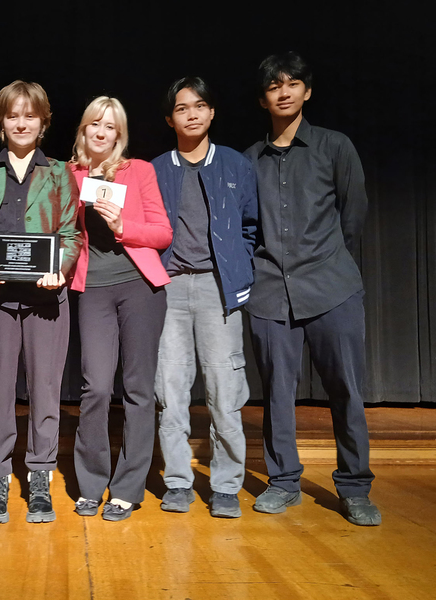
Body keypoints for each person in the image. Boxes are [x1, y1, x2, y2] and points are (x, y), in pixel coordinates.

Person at [244, 52, 381, 526]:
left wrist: (327, 261)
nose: (283, 91)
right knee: (277, 393)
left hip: (330, 287)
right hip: (268, 292)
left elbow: (353, 213)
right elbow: (245, 227)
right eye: (273, 85)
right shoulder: (249, 161)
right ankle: (283, 483)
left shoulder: (334, 146)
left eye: (292, 82)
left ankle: (355, 486)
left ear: (306, 91)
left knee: (345, 389)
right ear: (263, 99)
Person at [0, 80, 81, 524]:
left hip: (46, 299)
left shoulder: (60, 173)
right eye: (13, 115)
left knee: (46, 390)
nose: (21, 122)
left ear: (43, 122)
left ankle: (40, 478)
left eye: (30, 115)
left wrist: (60, 270)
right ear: (1, 121)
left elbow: (70, 235)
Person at [152, 77, 258, 519]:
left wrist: (238, 267)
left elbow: (251, 226)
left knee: (224, 390)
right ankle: (177, 481)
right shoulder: (155, 169)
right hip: (171, 289)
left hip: (219, 289)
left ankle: (227, 486)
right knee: (170, 391)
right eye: (182, 108)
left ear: (212, 112)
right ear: (169, 118)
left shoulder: (235, 165)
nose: (191, 114)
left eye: (199, 106)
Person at [70, 97, 172, 521]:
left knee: (138, 389)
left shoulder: (140, 171)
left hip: (138, 287)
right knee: (95, 387)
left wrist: (121, 226)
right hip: (92, 288)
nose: (100, 131)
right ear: (84, 128)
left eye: (109, 126)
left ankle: (128, 487)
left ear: (118, 134)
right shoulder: (66, 173)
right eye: (94, 122)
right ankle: (92, 483)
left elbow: (163, 233)